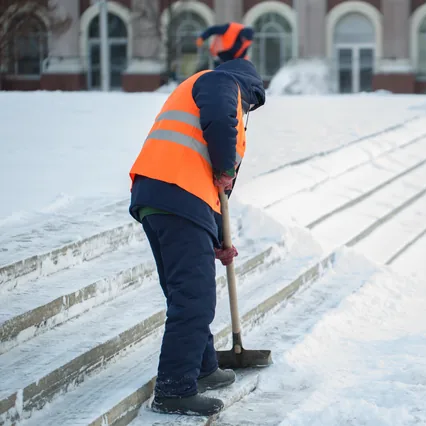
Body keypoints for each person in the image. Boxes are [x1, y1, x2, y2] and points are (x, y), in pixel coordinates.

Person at [128, 58, 266, 416]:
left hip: (161, 195)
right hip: (177, 195)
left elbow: (214, 184)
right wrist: (224, 167)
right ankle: (174, 389)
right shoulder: (222, 83)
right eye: (251, 103)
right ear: (248, 87)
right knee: (195, 297)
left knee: (186, 292)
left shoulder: (202, 90)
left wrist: (220, 238)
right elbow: (220, 121)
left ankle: (203, 367)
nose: (247, 110)